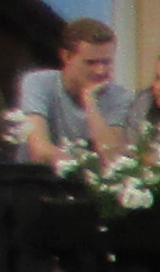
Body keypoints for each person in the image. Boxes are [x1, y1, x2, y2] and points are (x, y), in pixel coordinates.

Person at [12, 16, 122, 162]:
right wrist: (85, 164)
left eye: (106, 62)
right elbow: (40, 151)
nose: (100, 70)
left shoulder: (120, 97)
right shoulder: (39, 83)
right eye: (90, 63)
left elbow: (113, 159)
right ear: (67, 56)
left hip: (88, 176)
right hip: (38, 174)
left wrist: (90, 100)